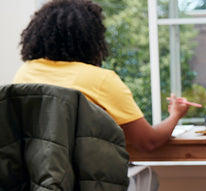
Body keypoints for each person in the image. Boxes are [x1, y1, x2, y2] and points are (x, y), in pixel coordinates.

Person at [13, 0, 188, 152]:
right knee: (149, 177)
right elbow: (148, 142)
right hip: (88, 181)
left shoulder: (25, 73)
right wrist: (175, 115)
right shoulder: (100, 80)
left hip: (36, 181)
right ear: (91, 40)